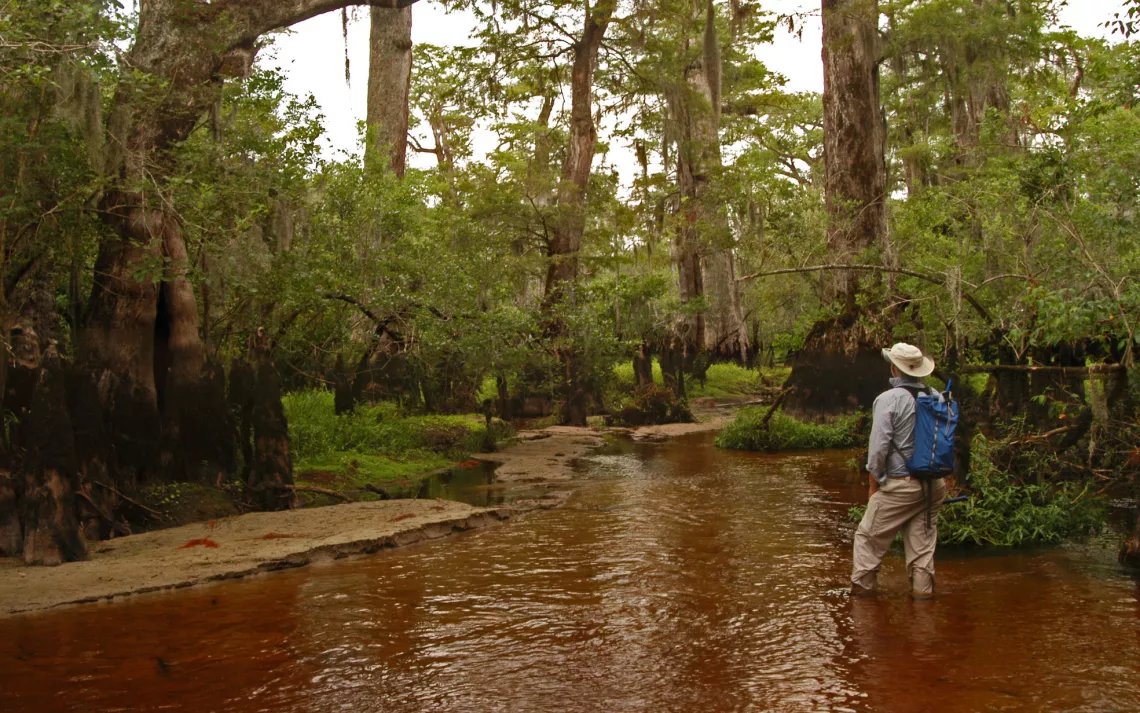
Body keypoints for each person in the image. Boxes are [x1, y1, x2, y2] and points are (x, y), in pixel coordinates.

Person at [851, 342, 947, 600]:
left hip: (900, 485)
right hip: (933, 485)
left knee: (867, 540)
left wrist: (873, 486)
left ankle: (862, 602)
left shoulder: (888, 399)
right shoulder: (937, 396)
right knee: (922, 551)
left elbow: (878, 450)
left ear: (894, 368)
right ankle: (923, 608)